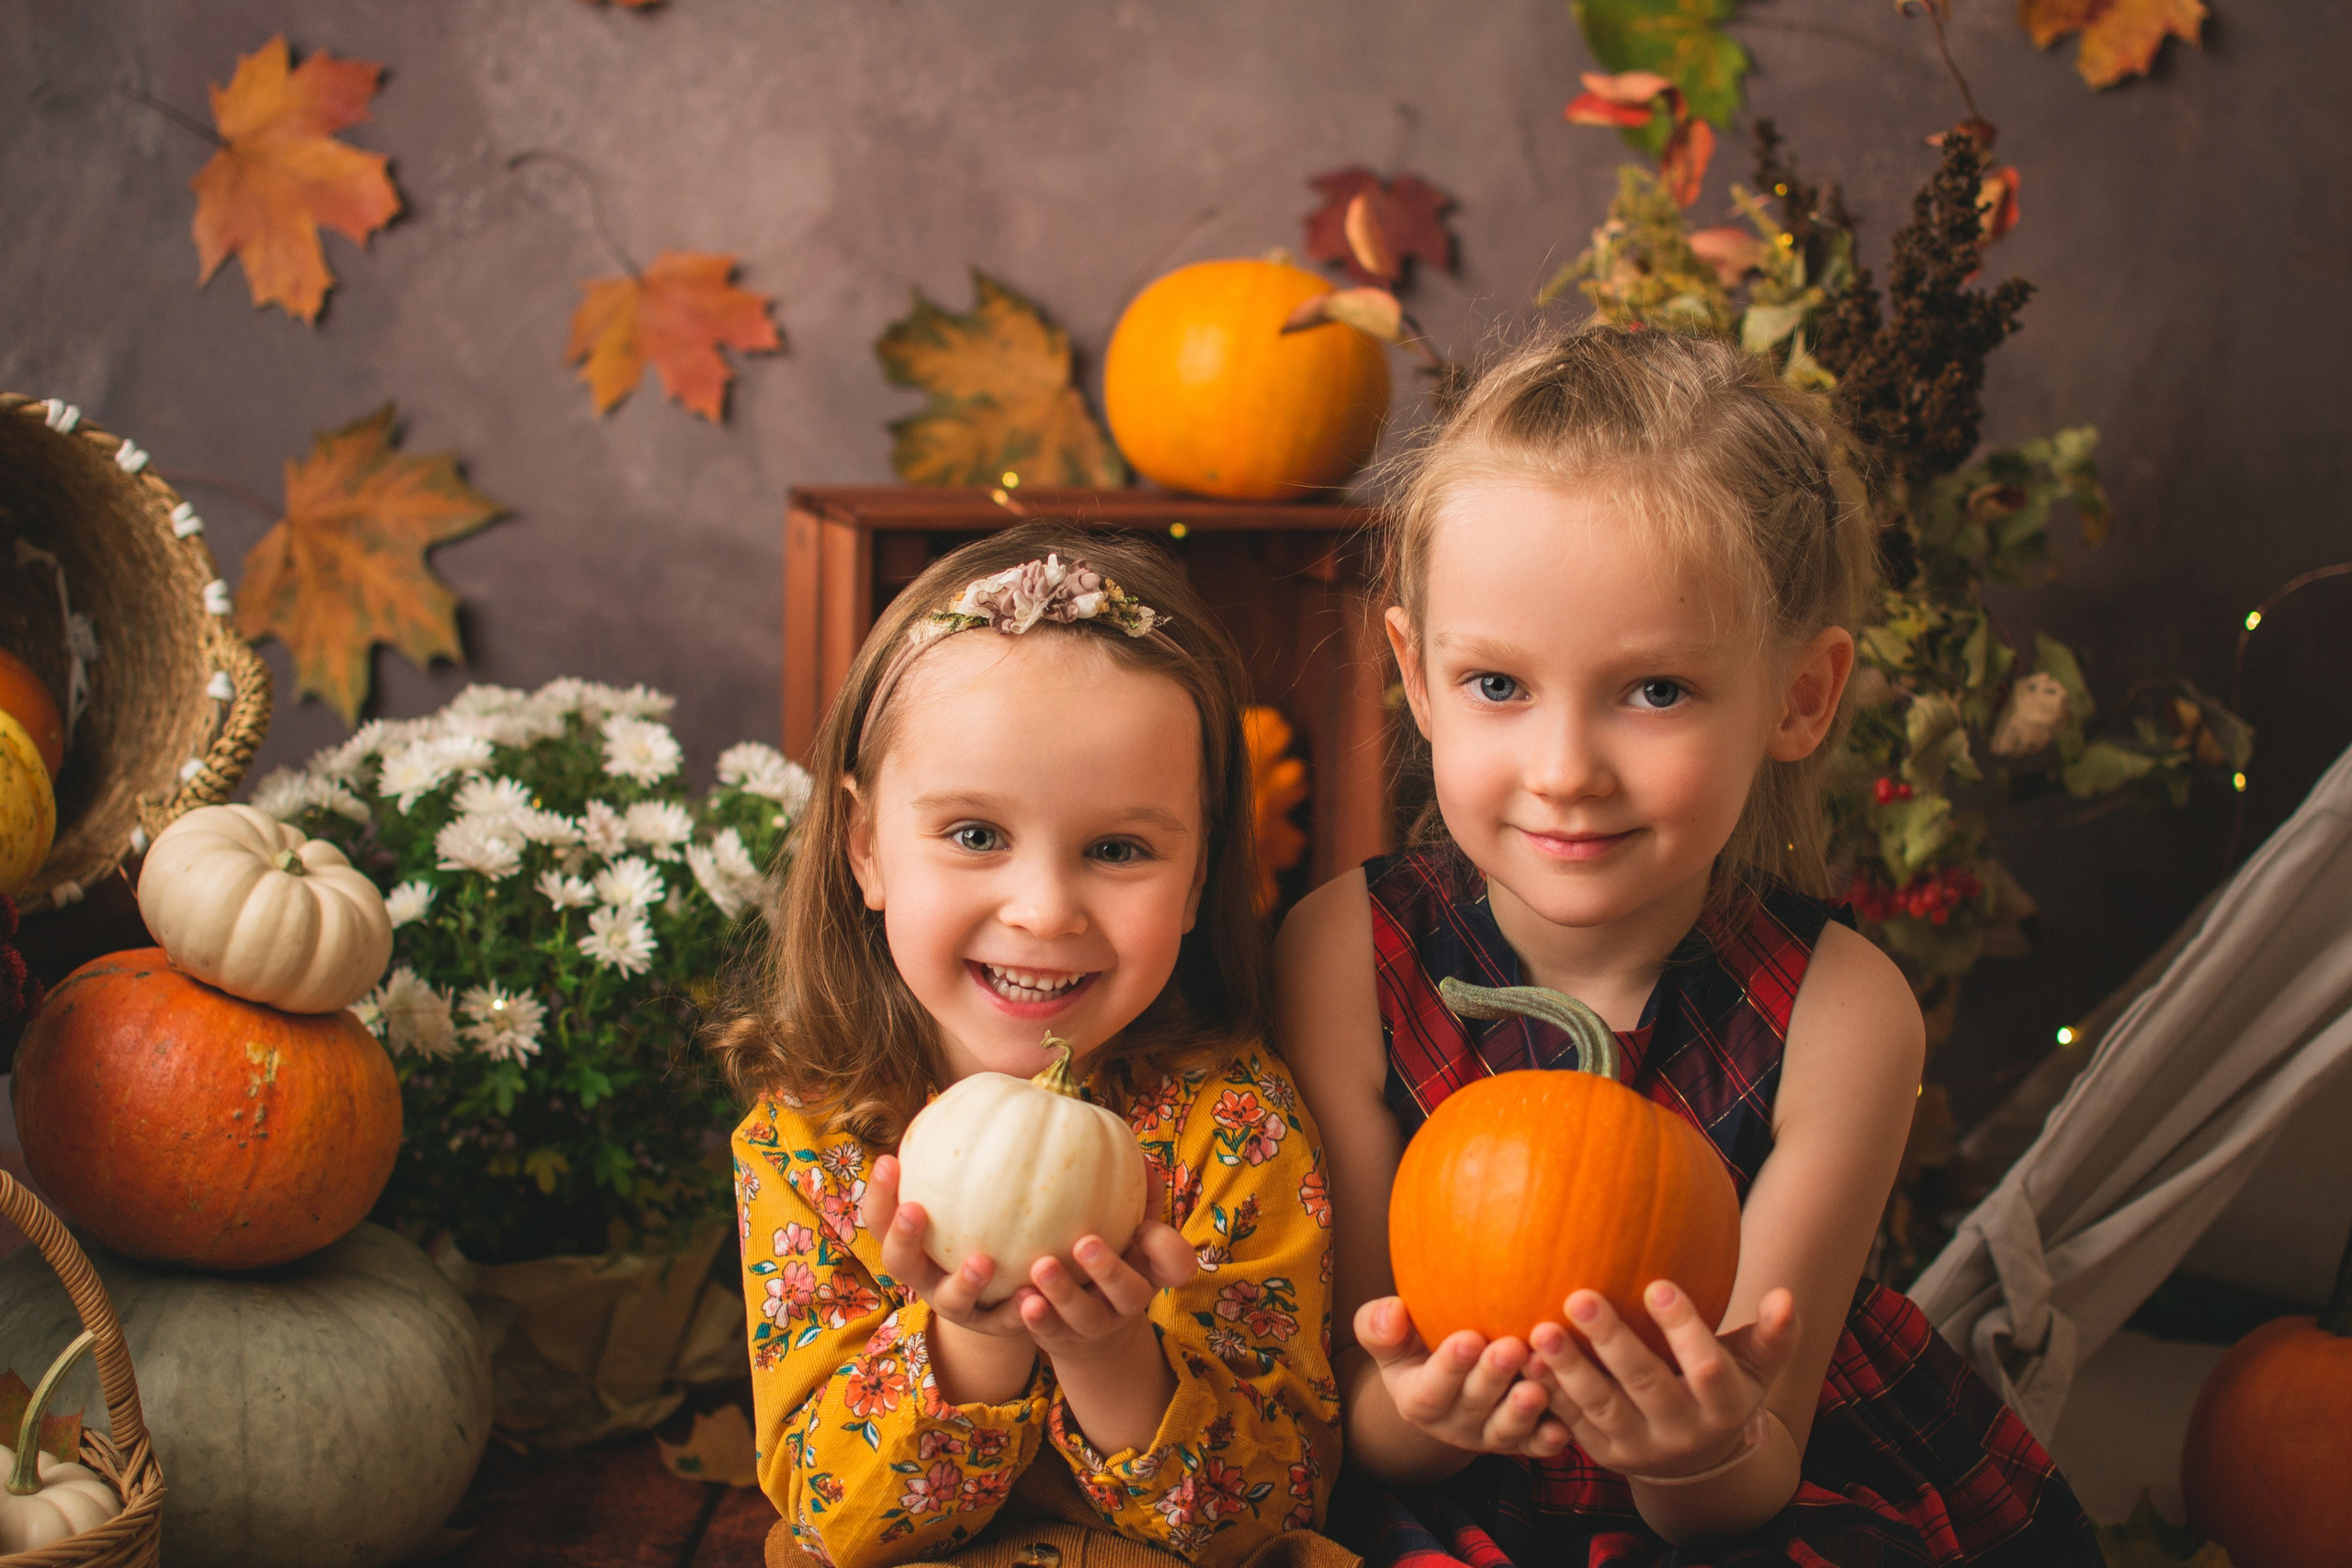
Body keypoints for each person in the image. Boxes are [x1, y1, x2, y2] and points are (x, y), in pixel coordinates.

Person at [1276, 329, 2099, 1565]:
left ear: (1800, 697)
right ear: (1418, 674)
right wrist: (1426, 1417)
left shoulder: (1843, 1011)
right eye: (1498, 684)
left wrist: (1693, 1445)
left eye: (1654, 690)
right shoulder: (1344, 949)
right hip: (1424, 1499)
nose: (1565, 770)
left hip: (1734, 1507)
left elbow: (1751, 1464)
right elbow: (1352, 1400)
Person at [716, 524, 1341, 1568]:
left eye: (1116, 849)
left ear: (1195, 880)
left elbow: (1275, 1509)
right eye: (974, 835)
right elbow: (831, 1518)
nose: (1045, 910)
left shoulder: (1234, 1127)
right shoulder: (805, 1142)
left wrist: (1107, 1356)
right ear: (867, 848)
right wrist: (978, 1340)